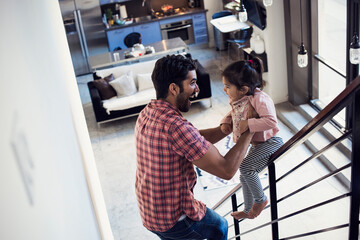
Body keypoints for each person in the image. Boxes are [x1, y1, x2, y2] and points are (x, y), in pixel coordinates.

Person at [135, 54, 256, 240]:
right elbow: (226, 170)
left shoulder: (148, 112)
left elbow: (190, 140)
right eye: (192, 83)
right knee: (220, 226)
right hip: (175, 219)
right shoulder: (176, 127)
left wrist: (223, 130)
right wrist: (250, 128)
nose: (197, 89)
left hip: (150, 213)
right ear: (173, 88)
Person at [220, 58, 284, 220]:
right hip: (257, 144)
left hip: (271, 142)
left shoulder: (261, 99)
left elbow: (271, 121)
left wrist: (249, 123)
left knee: (245, 166)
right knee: (244, 174)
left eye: (228, 87)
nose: (224, 90)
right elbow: (235, 112)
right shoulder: (243, 98)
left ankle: (260, 200)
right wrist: (226, 121)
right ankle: (248, 210)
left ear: (243, 89)